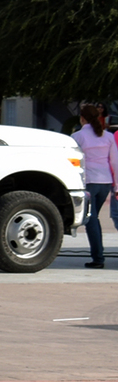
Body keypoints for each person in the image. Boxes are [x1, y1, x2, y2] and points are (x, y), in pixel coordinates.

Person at [74, 103, 116, 269]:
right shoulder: (108, 136)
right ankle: (98, 255)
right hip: (105, 182)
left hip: (89, 181)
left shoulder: (77, 136)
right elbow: (115, 162)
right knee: (93, 217)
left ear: (82, 118)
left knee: (90, 219)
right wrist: (117, 185)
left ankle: (98, 258)